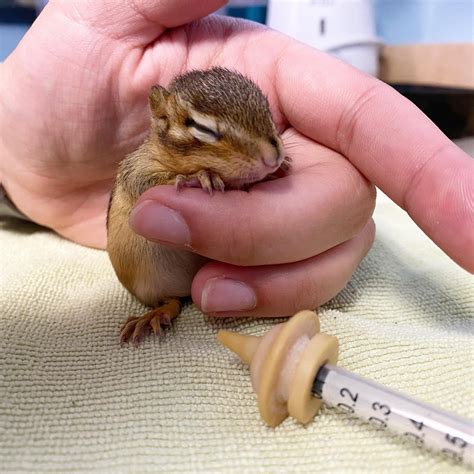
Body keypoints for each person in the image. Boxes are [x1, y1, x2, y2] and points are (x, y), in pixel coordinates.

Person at [0, 0, 472, 317]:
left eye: (267, 131)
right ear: (164, 119)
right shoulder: (144, 163)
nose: (268, 155)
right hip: (150, 271)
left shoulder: (259, 150)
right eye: (208, 134)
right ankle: (165, 305)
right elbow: (144, 193)